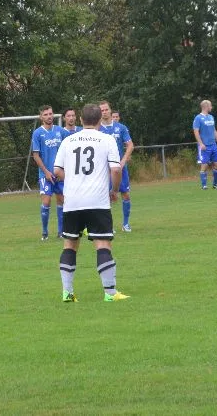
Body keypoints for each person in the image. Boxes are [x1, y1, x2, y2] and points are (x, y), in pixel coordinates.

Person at [54, 103, 130, 303]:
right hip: (97, 200)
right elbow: (116, 169)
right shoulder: (106, 139)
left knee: (69, 245)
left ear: (80, 120)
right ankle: (110, 293)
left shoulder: (68, 141)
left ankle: (68, 293)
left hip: (72, 201)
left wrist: (73, 180)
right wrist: (114, 190)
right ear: (99, 120)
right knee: (102, 243)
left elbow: (57, 171)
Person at [31, 105, 69, 240]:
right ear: (41, 117)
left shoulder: (60, 131)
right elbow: (36, 155)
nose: (49, 116)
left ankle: (61, 232)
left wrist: (64, 169)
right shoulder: (37, 133)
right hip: (45, 174)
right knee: (46, 202)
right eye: (46, 114)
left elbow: (69, 149)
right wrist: (46, 172)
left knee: (61, 201)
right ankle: (45, 232)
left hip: (60, 174)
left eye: (50, 114)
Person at [98, 101, 134, 232]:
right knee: (106, 198)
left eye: (106, 109)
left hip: (119, 168)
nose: (104, 112)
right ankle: (109, 226)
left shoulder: (121, 127)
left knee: (126, 195)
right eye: (102, 110)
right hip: (104, 170)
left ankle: (126, 224)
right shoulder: (97, 129)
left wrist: (123, 161)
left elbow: (130, 145)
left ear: (110, 110)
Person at [192, 100, 217, 190]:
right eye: (210, 105)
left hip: (213, 145)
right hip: (204, 146)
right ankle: (204, 185)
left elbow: (214, 130)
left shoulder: (211, 117)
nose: (211, 107)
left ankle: (215, 184)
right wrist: (201, 144)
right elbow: (196, 132)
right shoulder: (198, 118)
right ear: (206, 106)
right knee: (205, 165)